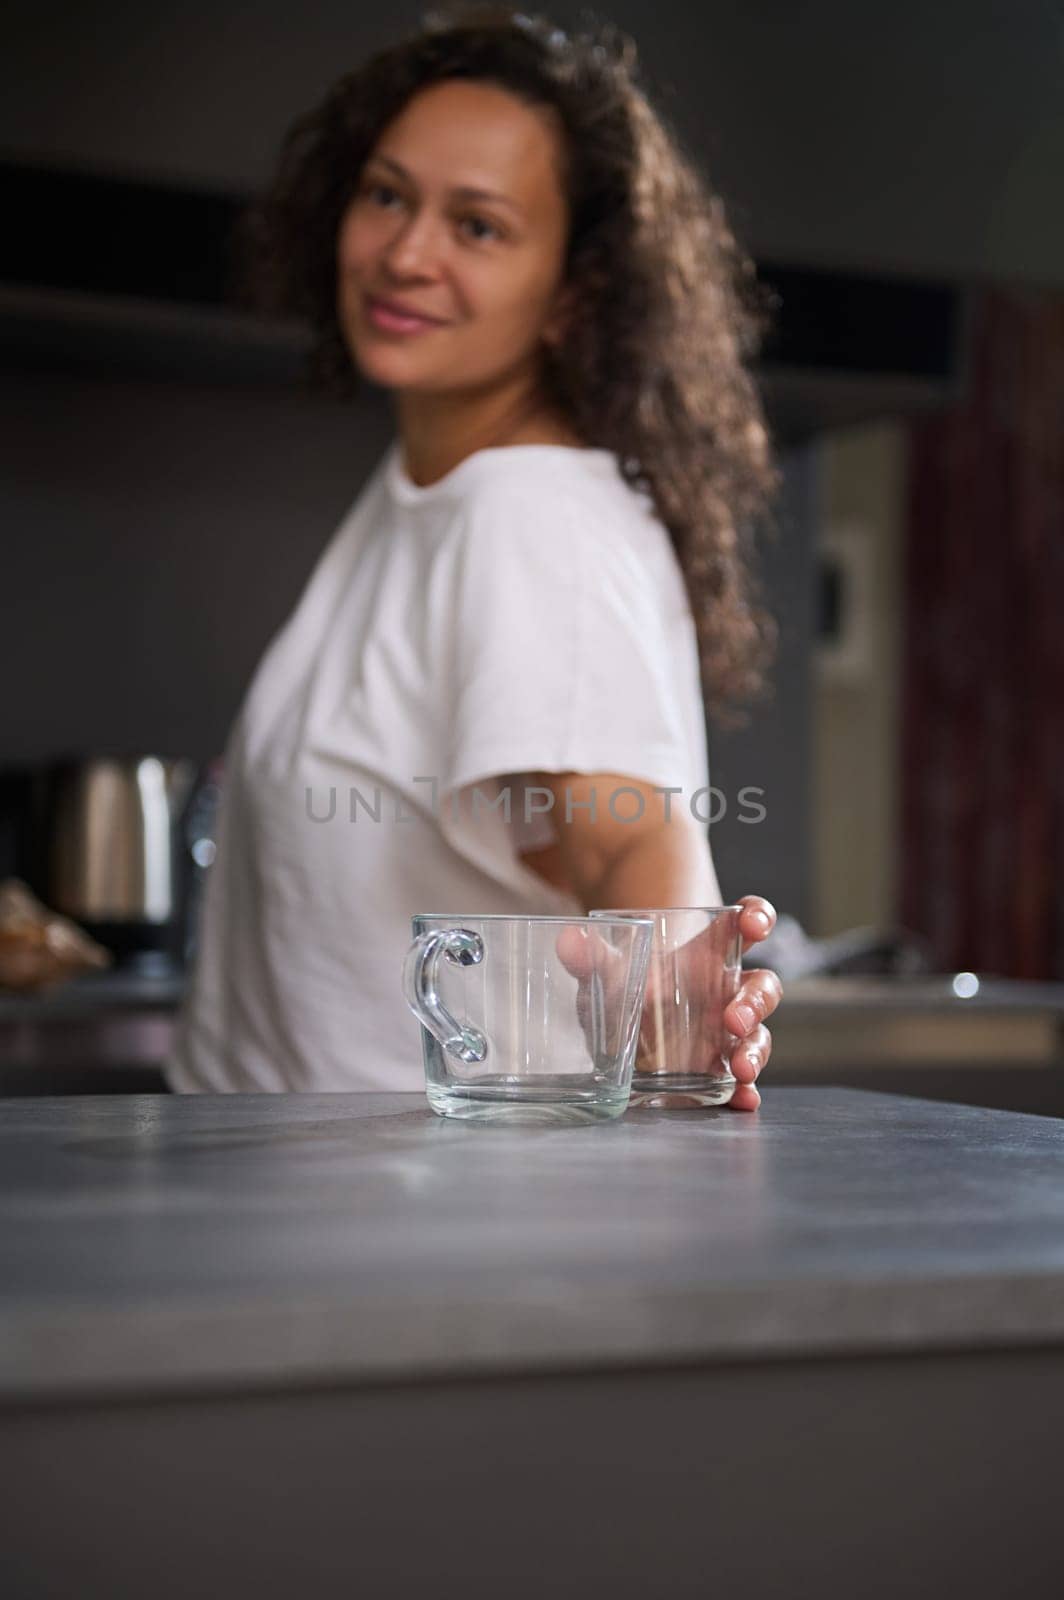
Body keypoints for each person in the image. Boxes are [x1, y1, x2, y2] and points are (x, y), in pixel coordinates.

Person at [166, 3, 784, 1109]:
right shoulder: (428, 486)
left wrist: (673, 987)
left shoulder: (530, 515)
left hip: (403, 1237)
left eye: (479, 226)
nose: (406, 254)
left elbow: (621, 839)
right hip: (297, 1206)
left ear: (573, 294)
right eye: (387, 195)